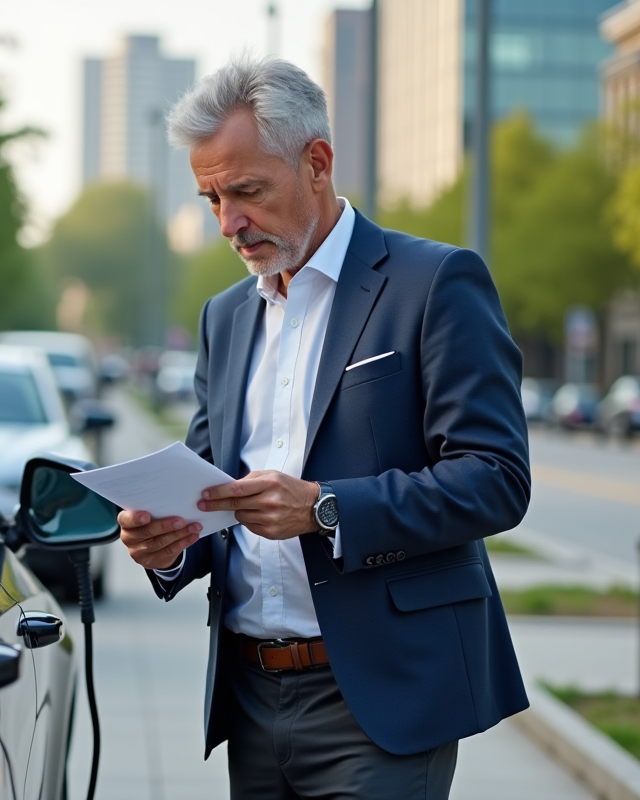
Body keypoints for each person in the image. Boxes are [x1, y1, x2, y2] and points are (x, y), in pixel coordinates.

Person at [116, 56, 531, 800]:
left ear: (317, 163)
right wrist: (167, 543)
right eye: (211, 198)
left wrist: (326, 508)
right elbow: (212, 487)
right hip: (248, 697)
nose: (228, 223)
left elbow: (496, 478)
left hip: (382, 694)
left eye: (246, 191)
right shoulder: (225, 315)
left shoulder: (434, 283)